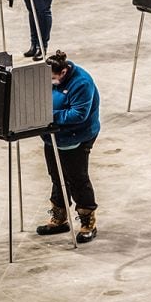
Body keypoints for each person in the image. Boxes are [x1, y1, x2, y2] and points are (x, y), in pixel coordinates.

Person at [36, 50, 101, 244]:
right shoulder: (46, 75)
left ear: (63, 72)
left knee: (77, 178)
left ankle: (87, 221)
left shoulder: (82, 83)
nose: (50, 82)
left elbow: (78, 114)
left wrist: (47, 115)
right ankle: (59, 216)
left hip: (77, 137)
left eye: (53, 78)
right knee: (56, 176)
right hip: (52, 136)